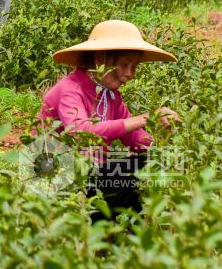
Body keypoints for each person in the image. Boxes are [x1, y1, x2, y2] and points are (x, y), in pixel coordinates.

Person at [38, 20, 180, 222]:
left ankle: (118, 234)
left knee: (154, 163)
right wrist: (146, 117)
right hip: (59, 179)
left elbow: (135, 138)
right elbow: (81, 132)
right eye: (124, 64)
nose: (129, 74)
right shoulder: (71, 89)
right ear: (99, 59)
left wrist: (162, 135)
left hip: (91, 177)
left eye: (134, 66)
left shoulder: (111, 96)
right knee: (137, 173)